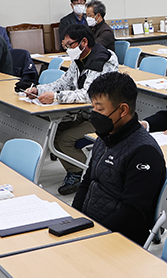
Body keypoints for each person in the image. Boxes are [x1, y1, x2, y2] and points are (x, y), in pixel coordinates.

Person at [73, 72, 167, 246]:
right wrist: (75, 217)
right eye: (93, 107)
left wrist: (95, 235)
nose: (95, 114)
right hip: (90, 227)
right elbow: (87, 181)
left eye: (100, 109)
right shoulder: (105, 137)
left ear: (123, 110)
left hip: (118, 240)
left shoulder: (144, 152)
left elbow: (133, 213)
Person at [24, 24, 119, 195]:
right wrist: (39, 90)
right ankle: (76, 169)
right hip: (86, 114)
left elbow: (89, 95)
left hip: (105, 117)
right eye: (65, 45)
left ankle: (83, 173)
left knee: (64, 138)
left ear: (83, 42)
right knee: (51, 132)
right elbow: (63, 82)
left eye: (70, 45)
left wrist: (56, 97)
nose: (67, 49)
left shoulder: (102, 59)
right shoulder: (80, 58)